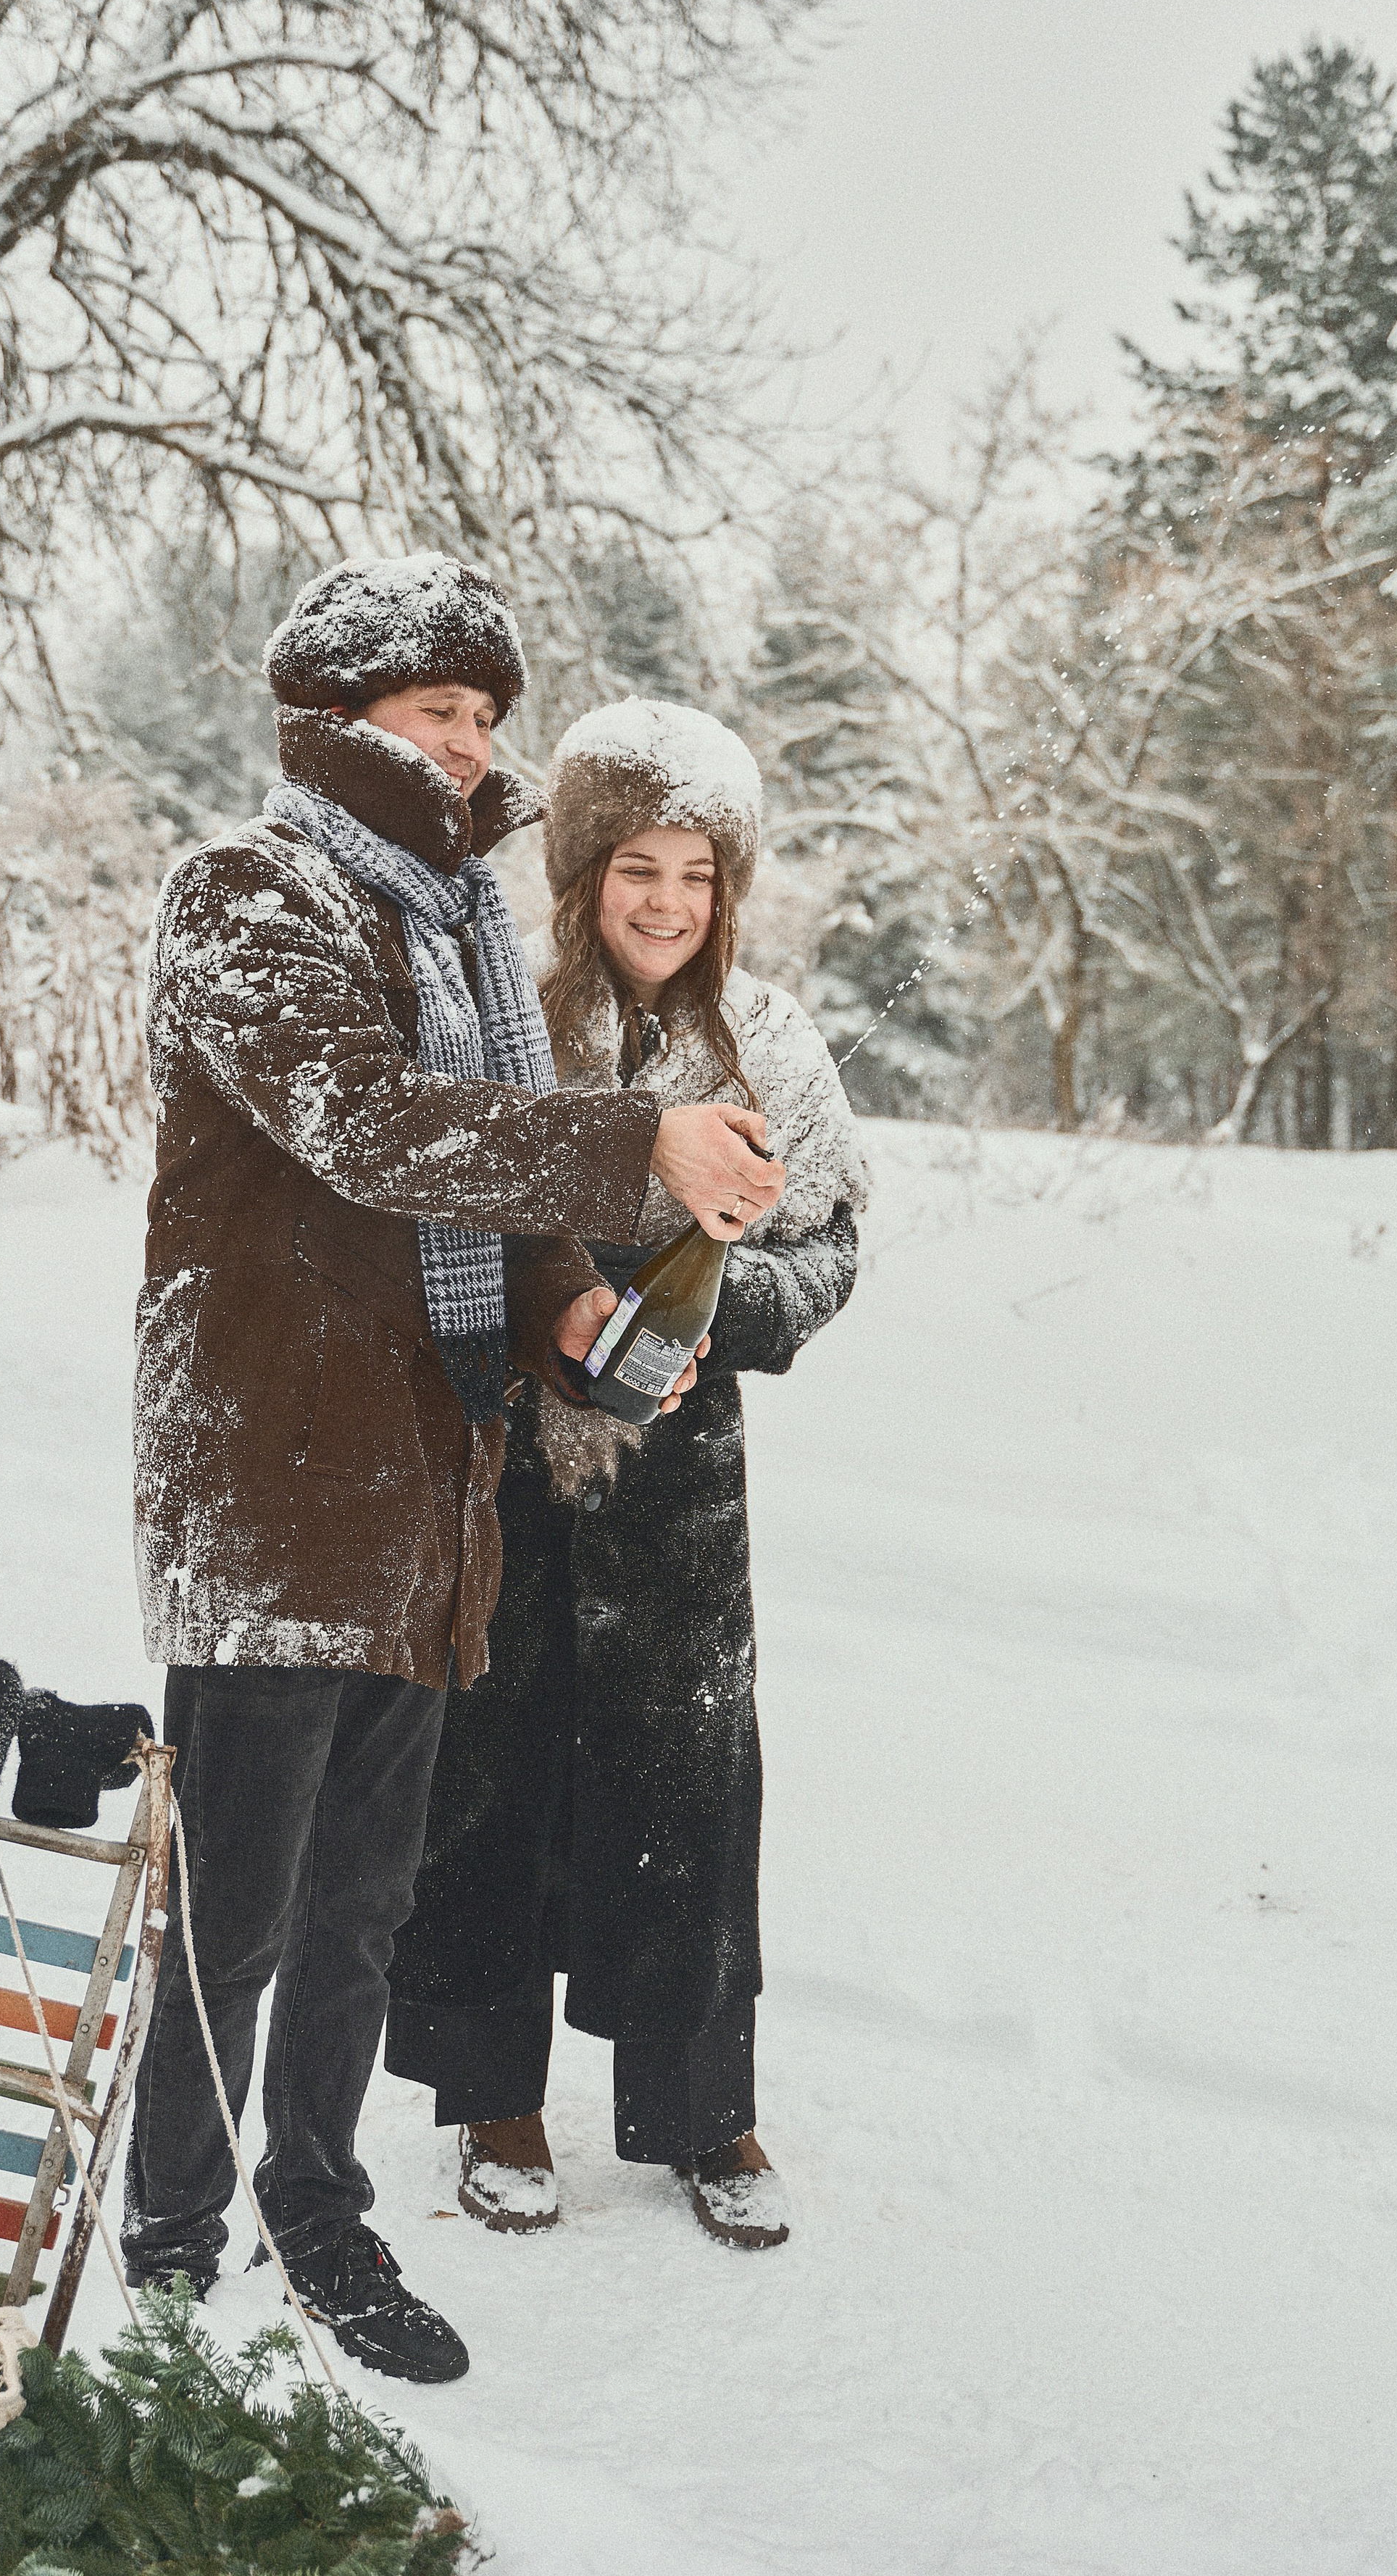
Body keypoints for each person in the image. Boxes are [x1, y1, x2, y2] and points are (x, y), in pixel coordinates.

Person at [122, 565, 787, 2382]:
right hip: (273, 1479)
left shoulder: (465, 926)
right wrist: (627, 1134)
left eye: (489, 717)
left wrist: (573, 1316)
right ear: (338, 725)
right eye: (441, 713)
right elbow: (370, 1124)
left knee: (358, 1907)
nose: (472, 744)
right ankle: (173, 2254)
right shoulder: (250, 893)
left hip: (430, 1487)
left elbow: (476, 1216)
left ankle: (318, 2217)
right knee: (234, 1914)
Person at [387, 699, 867, 2251]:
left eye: (698, 874)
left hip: (679, 1485)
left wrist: (732, 1310)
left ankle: (697, 2106)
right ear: (581, 873)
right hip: (511, 1468)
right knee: (490, 1780)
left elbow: (834, 1244)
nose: (666, 902)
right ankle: (488, 2090)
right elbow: (444, 1221)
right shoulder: (510, 1022)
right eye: (635, 869)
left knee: (685, 1786)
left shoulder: (769, 1046)